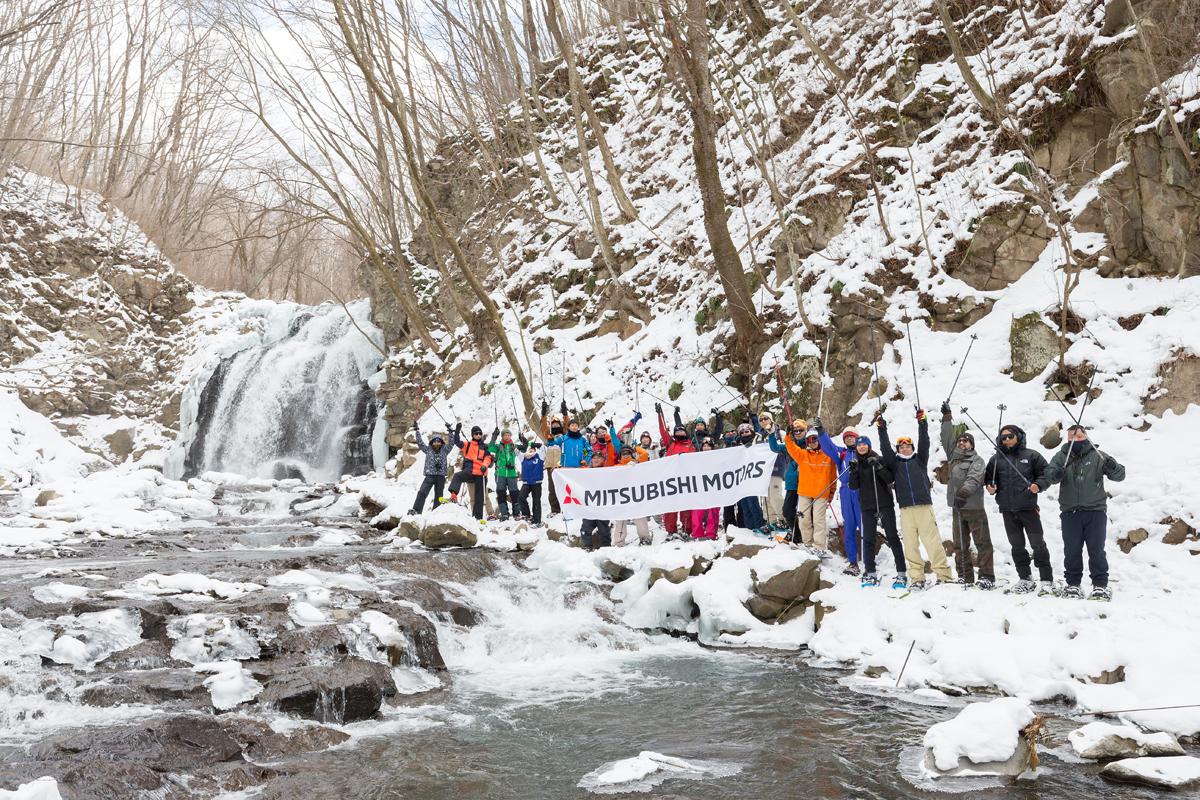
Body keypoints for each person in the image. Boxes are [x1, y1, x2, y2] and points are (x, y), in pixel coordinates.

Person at [1041, 424, 1125, 601]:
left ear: (1086, 437)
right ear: (1067, 439)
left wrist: (1113, 466)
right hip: (1070, 512)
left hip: (1095, 511)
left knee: (1096, 550)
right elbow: (1049, 475)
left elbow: (1119, 476)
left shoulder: (1098, 455)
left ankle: (1100, 586)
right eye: (1072, 437)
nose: (1076, 440)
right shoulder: (1062, 456)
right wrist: (1057, 474)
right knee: (1071, 550)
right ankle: (1073, 585)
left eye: (1079, 436)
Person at [877, 408, 952, 589]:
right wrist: (882, 429)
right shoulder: (894, 464)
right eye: (901, 447)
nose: (905, 448)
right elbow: (885, 449)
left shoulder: (920, 460)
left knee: (932, 543)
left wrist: (922, 423)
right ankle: (917, 578)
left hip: (924, 507)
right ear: (898, 450)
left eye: (908, 446)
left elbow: (924, 441)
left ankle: (944, 576)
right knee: (910, 546)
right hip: (906, 510)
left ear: (912, 448)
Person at [985, 423, 1053, 594]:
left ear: (1019, 436)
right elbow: (988, 479)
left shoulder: (1031, 455)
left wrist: (1039, 485)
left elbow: (1047, 474)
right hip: (1007, 510)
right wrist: (990, 487)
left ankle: (1046, 580)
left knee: (1038, 544)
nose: (1007, 440)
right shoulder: (996, 459)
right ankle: (1025, 578)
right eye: (1003, 437)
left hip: (1028, 508)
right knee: (1017, 546)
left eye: (1010, 436)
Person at [940, 405, 995, 589]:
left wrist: (963, 493)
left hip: (974, 508)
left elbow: (974, 478)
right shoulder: (953, 457)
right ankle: (965, 576)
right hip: (957, 508)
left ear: (972, 445)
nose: (962, 442)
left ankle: (987, 576)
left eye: (966, 441)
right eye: (960, 440)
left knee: (982, 543)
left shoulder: (976, 460)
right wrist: (947, 417)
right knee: (960, 545)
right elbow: (946, 437)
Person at [847, 435, 907, 588]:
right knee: (868, 539)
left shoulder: (879, 459)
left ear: (869, 446)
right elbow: (853, 487)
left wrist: (878, 467)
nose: (861, 447)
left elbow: (889, 479)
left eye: (864, 445)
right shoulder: (856, 463)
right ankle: (870, 571)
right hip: (867, 507)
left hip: (884, 504)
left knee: (893, 537)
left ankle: (901, 572)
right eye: (859, 445)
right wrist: (853, 472)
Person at [814, 418, 862, 574]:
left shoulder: (863, 450)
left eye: (851, 436)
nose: (849, 438)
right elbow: (828, 447)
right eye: (846, 437)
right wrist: (821, 431)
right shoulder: (841, 453)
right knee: (849, 527)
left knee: (864, 527)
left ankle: (870, 563)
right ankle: (853, 563)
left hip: (861, 492)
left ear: (857, 437)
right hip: (846, 492)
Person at [784, 428, 837, 551]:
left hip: (821, 493)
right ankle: (807, 543)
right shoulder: (803, 455)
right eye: (808, 440)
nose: (812, 442)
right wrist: (788, 436)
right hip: (804, 492)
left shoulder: (828, 456)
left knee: (818, 520)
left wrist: (831, 493)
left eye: (814, 439)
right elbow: (791, 447)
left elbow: (833, 477)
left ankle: (819, 546)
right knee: (804, 519)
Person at [656, 402, 696, 536]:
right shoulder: (671, 444)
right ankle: (671, 530)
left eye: (681, 430)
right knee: (671, 506)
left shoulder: (691, 446)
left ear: (685, 432)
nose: (679, 432)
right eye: (677, 431)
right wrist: (659, 414)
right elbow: (663, 431)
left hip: (686, 479)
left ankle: (687, 529)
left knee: (686, 506)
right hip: (671, 479)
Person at [444, 424, 494, 521]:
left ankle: (477, 518)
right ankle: (453, 494)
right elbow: (457, 442)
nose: (478, 435)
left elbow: (488, 458)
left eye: (480, 433)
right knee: (458, 476)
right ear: (472, 435)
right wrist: (457, 432)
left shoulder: (484, 447)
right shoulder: (468, 445)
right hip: (470, 471)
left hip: (481, 473)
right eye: (476, 433)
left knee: (479, 497)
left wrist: (484, 465)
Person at [768, 418, 807, 537]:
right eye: (795, 431)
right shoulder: (789, 445)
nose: (798, 433)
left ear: (805, 431)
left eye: (801, 430)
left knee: (805, 511)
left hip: (806, 483)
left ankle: (804, 536)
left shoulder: (810, 443)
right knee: (787, 511)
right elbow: (775, 448)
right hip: (792, 483)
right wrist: (771, 434)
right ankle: (796, 534)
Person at [752, 410, 788, 527]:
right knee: (766, 497)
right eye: (761, 420)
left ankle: (784, 519)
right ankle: (771, 522)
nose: (763, 421)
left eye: (765, 419)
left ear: (771, 419)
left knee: (775, 495)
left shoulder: (780, 433)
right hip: (763, 471)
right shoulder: (758, 436)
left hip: (777, 468)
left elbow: (788, 448)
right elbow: (753, 451)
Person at [409, 421, 452, 514]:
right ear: (432, 442)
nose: (437, 443)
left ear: (441, 443)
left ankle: (435, 513)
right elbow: (420, 442)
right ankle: (416, 510)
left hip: (440, 476)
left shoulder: (445, 450)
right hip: (429, 475)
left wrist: (451, 431)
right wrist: (417, 430)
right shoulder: (428, 450)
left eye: (439, 441)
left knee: (439, 496)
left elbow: (451, 443)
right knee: (422, 492)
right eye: (435, 441)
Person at [612, 445, 650, 546]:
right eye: (623, 454)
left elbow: (645, 454)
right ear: (620, 456)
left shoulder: (637, 464)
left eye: (628, 453)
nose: (625, 455)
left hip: (635, 495)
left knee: (640, 517)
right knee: (620, 520)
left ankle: (645, 538)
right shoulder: (616, 467)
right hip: (621, 497)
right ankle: (618, 542)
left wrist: (636, 447)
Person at [732, 422, 766, 531]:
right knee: (744, 505)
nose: (745, 434)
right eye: (742, 432)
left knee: (753, 503)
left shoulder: (757, 441)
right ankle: (749, 528)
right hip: (742, 478)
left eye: (747, 431)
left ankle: (759, 525)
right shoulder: (738, 445)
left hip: (753, 476)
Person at [579, 451, 612, 550]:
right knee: (585, 528)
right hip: (589, 505)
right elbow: (571, 473)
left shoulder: (608, 471)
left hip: (603, 505)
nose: (596, 460)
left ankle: (606, 549)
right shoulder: (585, 471)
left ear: (603, 460)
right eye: (594, 458)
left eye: (599, 458)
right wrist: (559, 470)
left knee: (604, 529)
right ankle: (587, 547)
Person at [540, 401, 569, 515]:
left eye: (557, 424)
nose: (555, 425)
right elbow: (543, 427)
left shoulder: (565, 435)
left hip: (562, 464)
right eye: (553, 424)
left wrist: (565, 413)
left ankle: (567, 509)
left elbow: (567, 424)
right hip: (550, 465)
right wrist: (543, 414)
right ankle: (555, 510)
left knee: (564, 488)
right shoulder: (549, 436)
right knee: (552, 489)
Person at [690, 439, 721, 540]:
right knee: (697, 512)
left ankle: (711, 534)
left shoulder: (718, 458)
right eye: (704, 446)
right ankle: (697, 534)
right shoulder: (696, 459)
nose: (706, 448)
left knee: (713, 512)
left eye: (708, 446)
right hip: (700, 489)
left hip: (714, 489)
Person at [488, 428, 521, 520]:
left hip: (512, 473)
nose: (507, 436)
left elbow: (523, 449)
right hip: (500, 473)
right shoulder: (499, 446)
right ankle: (504, 514)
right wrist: (494, 436)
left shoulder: (514, 446)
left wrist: (523, 439)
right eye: (505, 435)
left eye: (508, 435)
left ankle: (516, 513)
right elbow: (490, 447)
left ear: (510, 436)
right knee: (501, 493)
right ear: (502, 436)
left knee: (514, 493)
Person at [517, 440, 545, 525]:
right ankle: (526, 514)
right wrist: (519, 447)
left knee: (536, 500)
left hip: (537, 482)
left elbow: (544, 449)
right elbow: (516, 452)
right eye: (530, 448)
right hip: (526, 482)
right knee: (521, 497)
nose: (531, 450)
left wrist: (538, 445)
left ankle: (537, 520)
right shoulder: (523, 457)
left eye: (533, 448)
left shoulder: (539, 456)